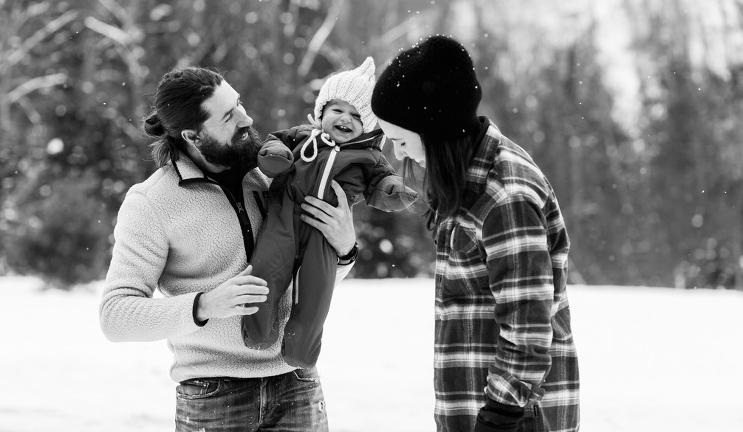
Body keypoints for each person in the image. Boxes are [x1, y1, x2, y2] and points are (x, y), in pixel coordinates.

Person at [99, 66, 358, 432]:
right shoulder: (151, 202)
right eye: (228, 115)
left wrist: (344, 249)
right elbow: (115, 317)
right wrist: (203, 305)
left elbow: (311, 271)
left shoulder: (275, 174)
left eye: (238, 103)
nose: (246, 117)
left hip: (296, 382)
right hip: (214, 395)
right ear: (192, 135)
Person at [371, 35, 580, 432]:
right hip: (476, 410)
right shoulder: (467, 180)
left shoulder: (506, 196)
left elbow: (527, 327)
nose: (397, 154)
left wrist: (499, 416)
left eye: (400, 140)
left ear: (432, 128)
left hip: (515, 418)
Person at [242, 57, 417, 368]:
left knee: (317, 291)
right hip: (283, 218)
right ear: (321, 111)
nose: (345, 119)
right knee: (266, 270)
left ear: (369, 124)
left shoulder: (369, 157)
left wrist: (394, 190)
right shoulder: (301, 136)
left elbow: (382, 184)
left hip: (325, 237)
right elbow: (272, 146)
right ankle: (258, 331)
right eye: (337, 110)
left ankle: (301, 349)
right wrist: (276, 156)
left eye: (356, 115)